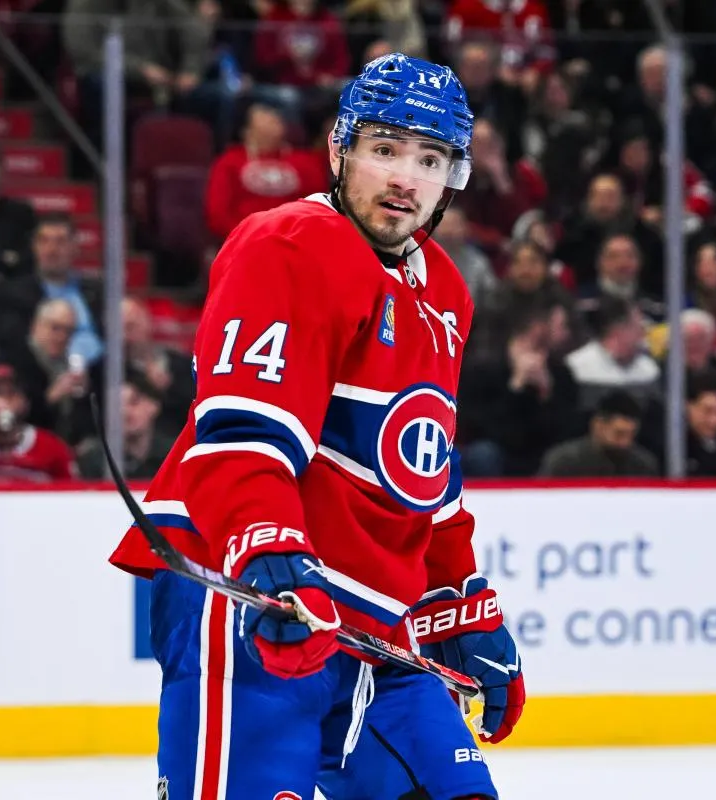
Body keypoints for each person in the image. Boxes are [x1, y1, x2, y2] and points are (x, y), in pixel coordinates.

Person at [107, 53, 521, 800]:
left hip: (371, 630)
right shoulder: (292, 243)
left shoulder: (447, 292)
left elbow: (422, 461)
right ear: (340, 150)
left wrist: (456, 595)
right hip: (254, 600)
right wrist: (268, 547)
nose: (405, 178)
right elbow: (240, 431)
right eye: (385, 149)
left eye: (429, 159)